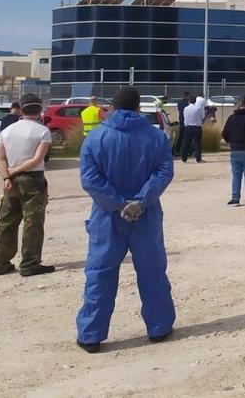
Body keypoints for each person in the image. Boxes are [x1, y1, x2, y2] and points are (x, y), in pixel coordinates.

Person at [76, 88, 175, 353]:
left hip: (107, 216)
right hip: (146, 214)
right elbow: (164, 172)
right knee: (152, 271)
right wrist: (140, 201)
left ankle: (91, 335)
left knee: (100, 273)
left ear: (111, 107)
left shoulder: (95, 138)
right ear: (138, 108)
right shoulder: (156, 137)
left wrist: (118, 204)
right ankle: (159, 327)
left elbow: (90, 179)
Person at [0, 93, 55, 277]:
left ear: (20, 108)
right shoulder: (42, 131)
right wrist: (16, 170)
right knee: (32, 222)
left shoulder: (7, 131)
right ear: (39, 109)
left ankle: (1, 263)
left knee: (7, 221)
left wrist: (7, 176)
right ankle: (29, 263)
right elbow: (37, 159)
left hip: (10, 182)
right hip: (33, 180)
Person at [180, 94, 205, 163]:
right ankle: (198, 159)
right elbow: (202, 117)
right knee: (197, 144)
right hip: (197, 127)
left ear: (189, 101)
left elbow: (185, 117)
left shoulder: (186, 109)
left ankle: (184, 158)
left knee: (186, 143)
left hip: (188, 127)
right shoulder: (198, 109)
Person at [172, 92, 190, 156]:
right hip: (187, 122)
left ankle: (177, 151)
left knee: (180, 137)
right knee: (187, 138)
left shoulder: (179, 103)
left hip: (181, 121)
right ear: (187, 96)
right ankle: (186, 151)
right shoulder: (188, 104)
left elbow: (179, 110)